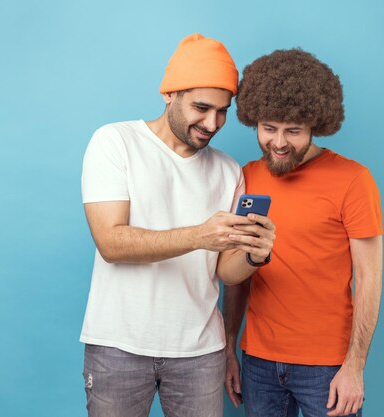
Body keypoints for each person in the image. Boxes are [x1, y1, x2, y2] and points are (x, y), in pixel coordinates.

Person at [80, 33, 275, 417]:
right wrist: (199, 235)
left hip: (200, 353)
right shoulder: (115, 142)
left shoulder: (227, 169)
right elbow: (111, 242)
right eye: (201, 107)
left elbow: (225, 272)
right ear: (169, 94)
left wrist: (254, 256)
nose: (213, 122)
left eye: (223, 111)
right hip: (118, 345)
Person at [223, 49, 383, 417]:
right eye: (269, 128)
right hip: (258, 362)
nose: (279, 142)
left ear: (315, 125)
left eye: (292, 131)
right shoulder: (247, 176)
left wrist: (354, 367)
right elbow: (236, 275)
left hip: (326, 367)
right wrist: (230, 346)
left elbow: (369, 279)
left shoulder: (353, 180)